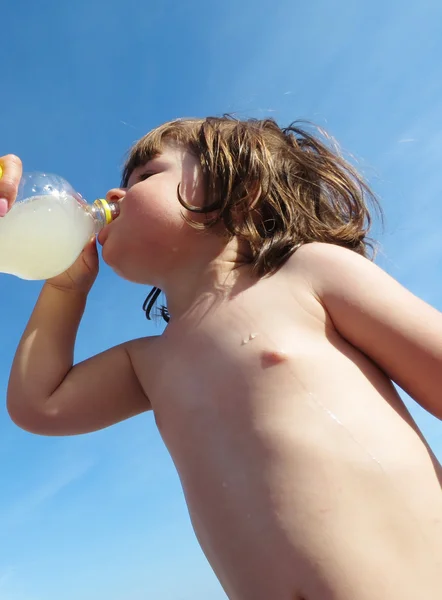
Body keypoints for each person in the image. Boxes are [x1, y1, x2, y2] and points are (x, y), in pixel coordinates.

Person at [6, 117, 442, 600]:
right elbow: (38, 404)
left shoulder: (310, 273)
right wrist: (66, 285)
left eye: (146, 176)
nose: (115, 193)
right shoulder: (149, 362)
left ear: (243, 189)